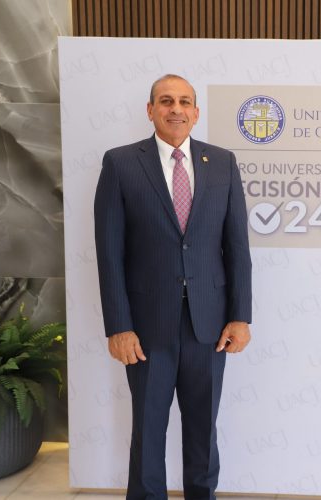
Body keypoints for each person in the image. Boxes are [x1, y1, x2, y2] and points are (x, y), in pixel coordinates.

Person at [94, 74, 252, 500]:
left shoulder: (223, 163)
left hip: (210, 326)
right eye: (166, 101)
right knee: (148, 432)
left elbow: (237, 248)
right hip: (146, 328)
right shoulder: (121, 163)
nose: (176, 109)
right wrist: (119, 326)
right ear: (151, 110)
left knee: (203, 430)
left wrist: (240, 317)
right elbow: (109, 253)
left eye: (184, 101)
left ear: (196, 113)